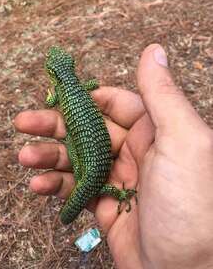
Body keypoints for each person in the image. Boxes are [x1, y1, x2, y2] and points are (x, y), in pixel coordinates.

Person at [15, 44, 213, 268]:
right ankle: (117, 195)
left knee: (81, 176)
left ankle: (113, 194)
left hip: (94, 168)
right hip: (99, 164)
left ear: (51, 73)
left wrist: (51, 96)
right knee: (87, 182)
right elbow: (94, 84)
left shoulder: (59, 92)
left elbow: (50, 104)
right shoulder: (81, 84)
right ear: (70, 67)